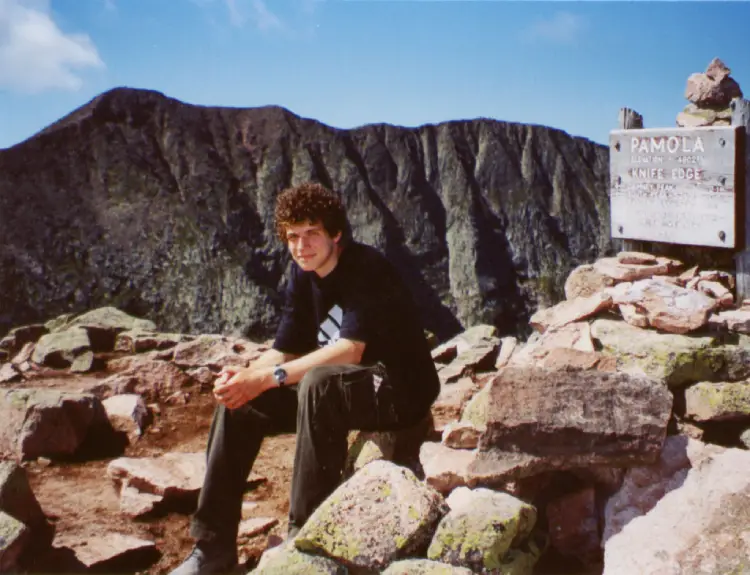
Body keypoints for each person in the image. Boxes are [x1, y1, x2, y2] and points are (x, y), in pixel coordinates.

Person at [170, 182, 441, 575]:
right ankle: (212, 549)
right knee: (240, 404)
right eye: (293, 237)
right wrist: (247, 377)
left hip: (399, 389)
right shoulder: (303, 274)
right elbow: (286, 348)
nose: (301, 246)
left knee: (318, 382)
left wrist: (269, 378)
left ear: (336, 233)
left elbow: (350, 349)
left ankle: (303, 542)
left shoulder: (367, 268)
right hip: (346, 387)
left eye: (312, 233)